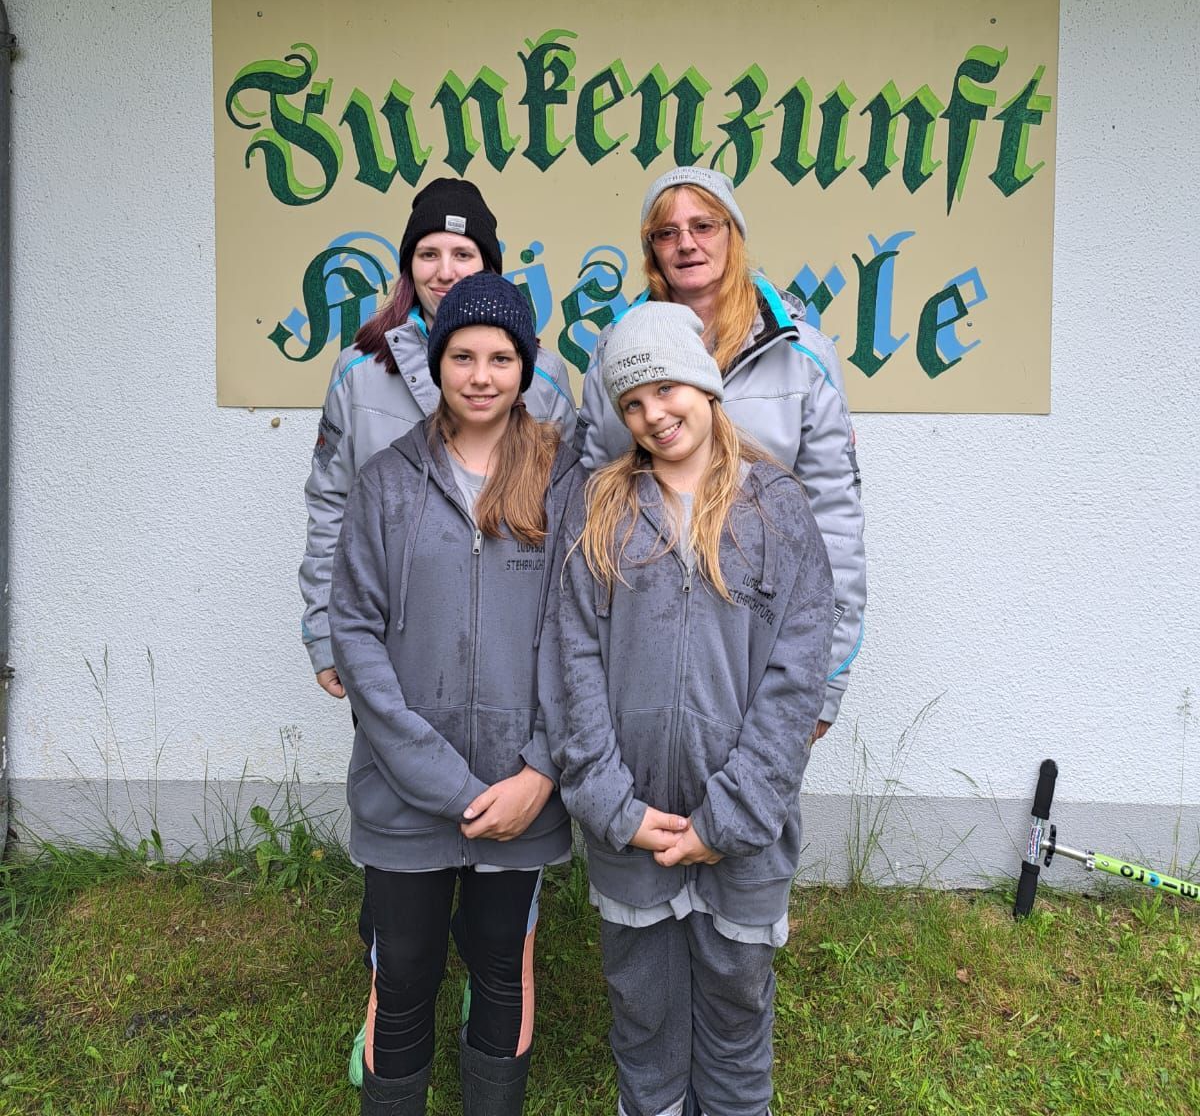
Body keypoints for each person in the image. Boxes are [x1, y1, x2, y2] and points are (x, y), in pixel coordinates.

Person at [549, 303, 834, 1116]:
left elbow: (796, 677)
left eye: (667, 389)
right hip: (632, 822)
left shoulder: (777, 508)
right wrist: (613, 805)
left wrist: (729, 816)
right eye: (633, 403)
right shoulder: (600, 508)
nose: (654, 415)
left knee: (736, 1003)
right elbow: (571, 663)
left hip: (743, 831)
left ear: (706, 386)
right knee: (641, 1006)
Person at [330, 272, 581, 1116]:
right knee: (404, 969)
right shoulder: (387, 482)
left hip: (522, 789)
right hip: (404, 791)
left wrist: (540, 771)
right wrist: (440, 780)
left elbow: (583, 637)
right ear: (436, 363)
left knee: (501, 964)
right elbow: (355, 629)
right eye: (462, 356)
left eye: (500, 358)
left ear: (525, 367)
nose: (481, 375)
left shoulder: (563, 481)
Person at [575, 165, 863, 738]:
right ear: (651, 250)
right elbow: (589, 499)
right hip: (642, 642)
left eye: (703, 225)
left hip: (759, 639)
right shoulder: (614, 352)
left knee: (754, 783)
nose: (686, 243)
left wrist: (823, 679)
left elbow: (835, 520)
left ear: (733, 232)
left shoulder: (801, 355)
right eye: (667, 232)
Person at [300, 176, 576, 693]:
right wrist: (324, 630)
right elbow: (331, 505)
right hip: (391, 641)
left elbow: (569, 520)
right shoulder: (357, 371)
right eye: (428, 254)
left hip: (511, 653)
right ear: (408, 265)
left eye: (463, 254)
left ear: (489, 266)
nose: (445, 272)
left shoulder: (544, 376)